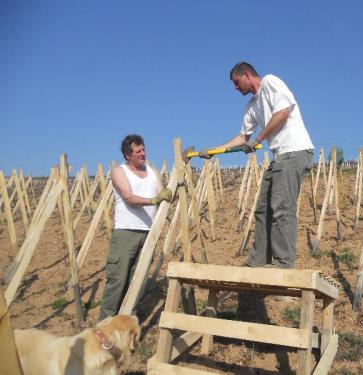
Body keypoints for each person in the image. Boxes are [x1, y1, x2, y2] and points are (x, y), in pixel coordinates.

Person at [200, 62, 314, 268]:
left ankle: (283, 263)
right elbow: (243, 137)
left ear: (246, 75)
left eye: (236, 83)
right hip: (280, 157)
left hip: (295, 152)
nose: (235, 88)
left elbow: (283, 112)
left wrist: (259, 138)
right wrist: (213, 150)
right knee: (263, 210)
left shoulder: (270, 82)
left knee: (282, 207)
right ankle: (258, 261)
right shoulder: (251, 106)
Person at [100, 134, 173, 319]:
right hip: (126, 231)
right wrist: (155, 200)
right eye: (138, 151)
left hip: (148, 233)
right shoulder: (119, 171)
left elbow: (162, 195)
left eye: (144, 149)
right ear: (127, 154)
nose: (143, 153)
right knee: (118, 279)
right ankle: (106, 323)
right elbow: (129, 198)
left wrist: (174, 186)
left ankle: (128, 319)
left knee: (138, 280)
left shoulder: (152, 172)